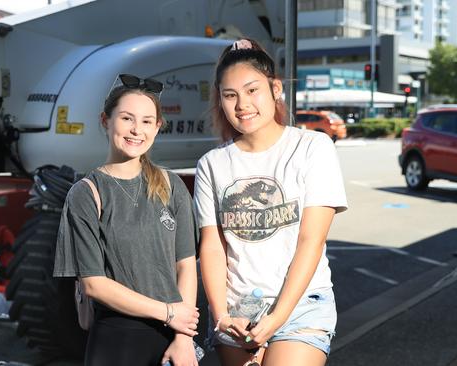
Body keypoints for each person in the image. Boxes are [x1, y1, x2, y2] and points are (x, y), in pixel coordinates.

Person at [195, 39, 348, 366]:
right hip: (237, 313)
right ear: (220, 101)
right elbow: (212, 247)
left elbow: (312, 240)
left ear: (275, 88)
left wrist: (277, 319)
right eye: (230, 95)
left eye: (252, 90)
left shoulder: (312, 147)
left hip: (301, 305)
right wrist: (221, 316)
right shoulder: (211, 164)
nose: (242, 105)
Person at [54, 74, 200, 366]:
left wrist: (183, 339)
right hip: (116, 341)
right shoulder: (86, 193)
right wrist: (169, 312)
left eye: (147, 121)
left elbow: (185, 265)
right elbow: (94, 285)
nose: (137, 130)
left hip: (173, 338)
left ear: (158, 127)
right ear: (105, 121)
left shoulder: (172, 187)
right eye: (127, 118)